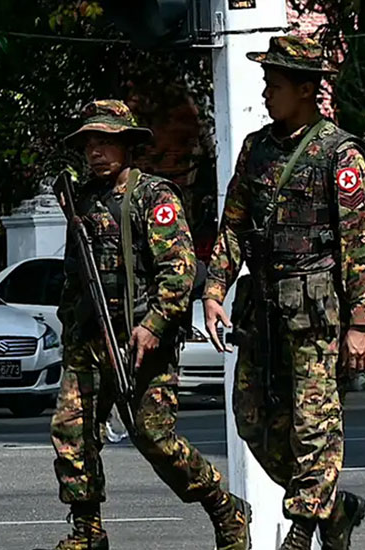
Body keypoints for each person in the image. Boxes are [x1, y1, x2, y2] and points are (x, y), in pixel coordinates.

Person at [50, 99, 250, 550]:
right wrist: (70, 331)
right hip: (90, 340)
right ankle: (87, 529)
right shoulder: (82, 201)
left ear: (127, 146)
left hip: (142, 340)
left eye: (106, 142)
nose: (96, 152)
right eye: (89, 144)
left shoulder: (153, 197)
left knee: (155, 438)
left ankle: (224, 507)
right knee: (71, 432)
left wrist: (155, 324)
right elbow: (73, 276)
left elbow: (179, 271)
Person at [202, 35, 365, 550]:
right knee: (252, 419)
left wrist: (361, 324)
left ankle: (301, 531)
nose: (266, 94)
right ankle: (334, 509)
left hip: (315, 314)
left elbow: (359, 243)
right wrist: (214, 290)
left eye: (274, 85)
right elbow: (234, 225)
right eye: (265, 83)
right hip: (261, 311)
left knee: (314, 424)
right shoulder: (256, 149)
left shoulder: (339, 153)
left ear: (305, 90)